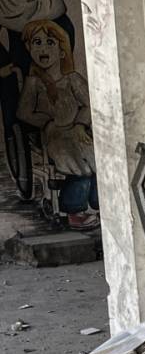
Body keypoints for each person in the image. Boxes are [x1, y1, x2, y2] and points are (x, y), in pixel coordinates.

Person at [17, 18, 97, 230]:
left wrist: (80, 124)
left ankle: (98, 202)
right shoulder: (34, 83)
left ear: (62, 51)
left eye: (50, 42)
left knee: (94, 155)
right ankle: (74, 209)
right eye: (37, 42)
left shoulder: (72, 79)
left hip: (78, 130)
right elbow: (24, 112)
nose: (43, 48)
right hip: (54, 135)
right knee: (73, 160)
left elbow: (90, 104)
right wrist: (47, 122)